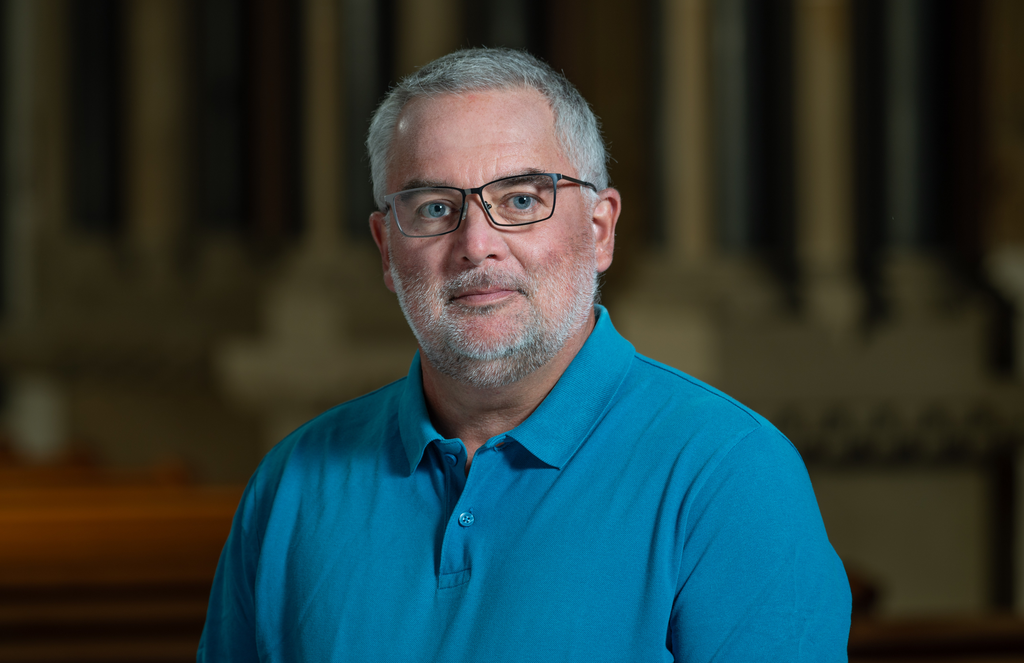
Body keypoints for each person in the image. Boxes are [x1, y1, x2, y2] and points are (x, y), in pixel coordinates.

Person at [198, 48, 850, 662]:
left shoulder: (728, 475)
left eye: (520, 199)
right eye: (433, 207)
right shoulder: (292, 482)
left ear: (599, 230)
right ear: (386, 250)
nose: (477, 244)